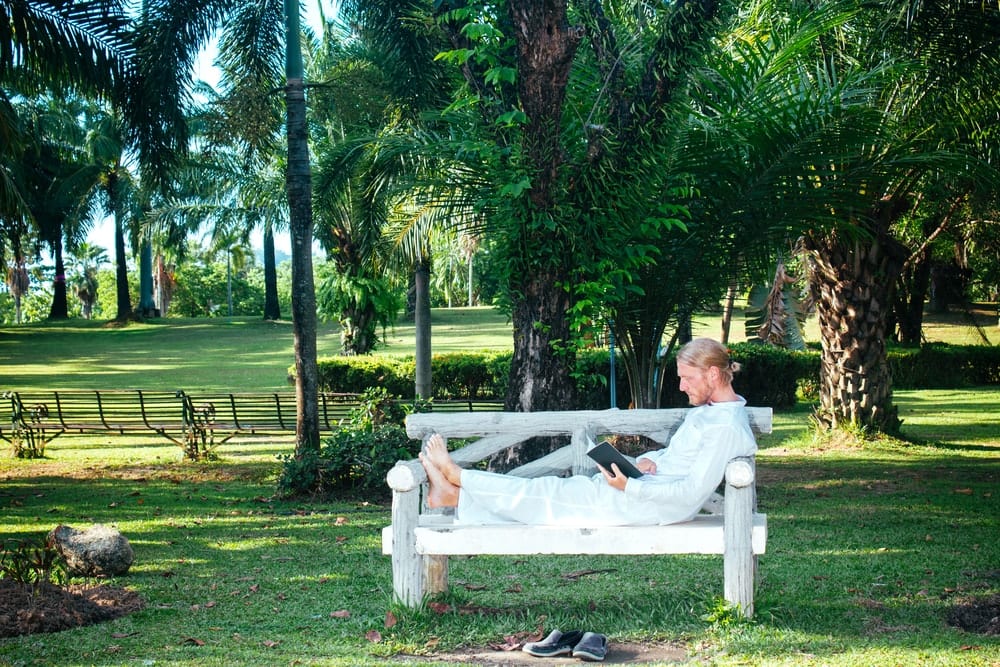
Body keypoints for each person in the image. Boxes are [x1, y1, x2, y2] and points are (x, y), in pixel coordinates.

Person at [418, 337, 758, 527]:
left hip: (650, 506)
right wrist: (647, 461)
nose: (681, 386)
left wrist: (629, 488)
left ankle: (458, 476)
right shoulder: (712, 414)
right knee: (544, 497)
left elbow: (689, 492)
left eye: (688, 378)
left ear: (713, 375)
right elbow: (678, 459)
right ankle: (453, 496)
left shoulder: (726, 426)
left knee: (544, 495)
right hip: (645, 490)